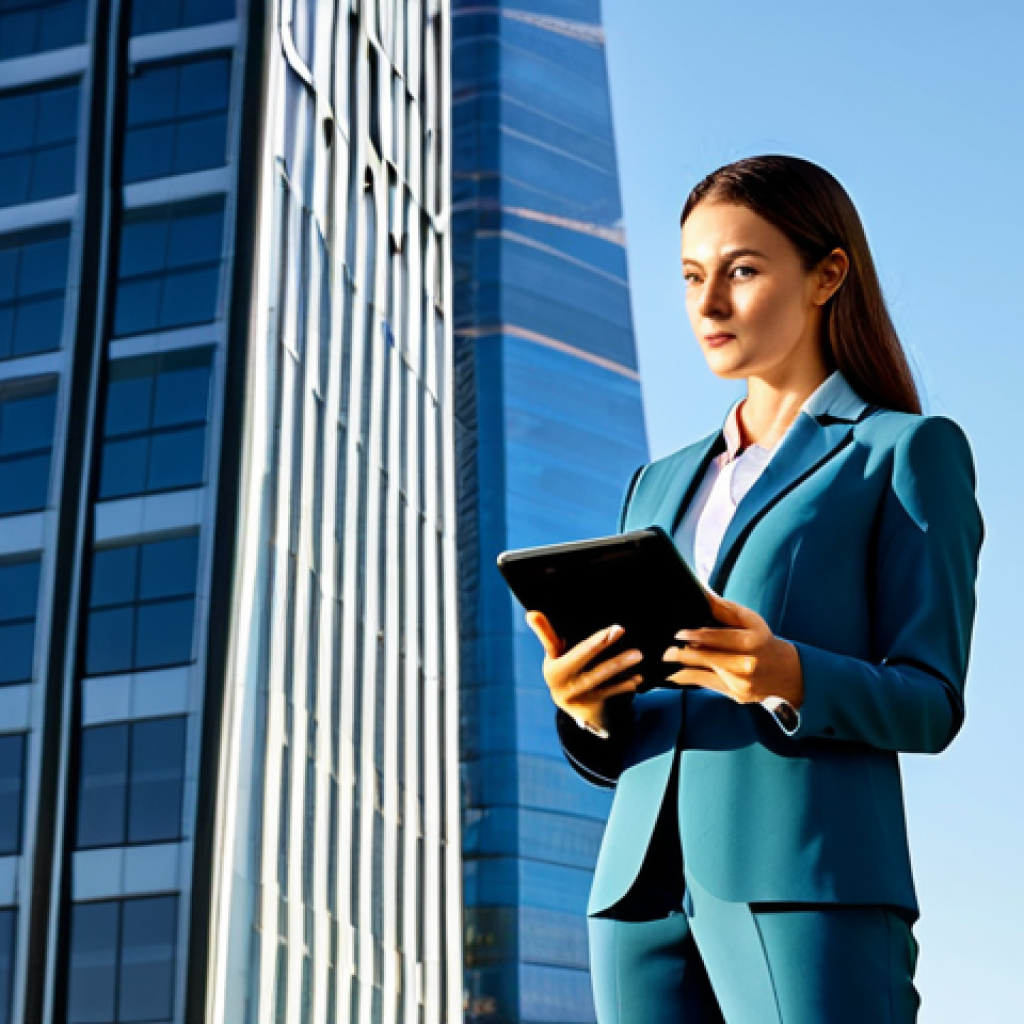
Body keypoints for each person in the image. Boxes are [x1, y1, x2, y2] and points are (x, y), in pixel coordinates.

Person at [525, 155, 984, 1024]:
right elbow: (647, 704)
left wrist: (785, 674)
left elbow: (932, 701)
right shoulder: (657, 483)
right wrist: (586, 707)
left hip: (805, 882)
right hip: (638, 894)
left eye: (740, 271)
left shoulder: (903, 453)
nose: (707, 306)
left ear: (827, 274)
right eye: (693, 276)